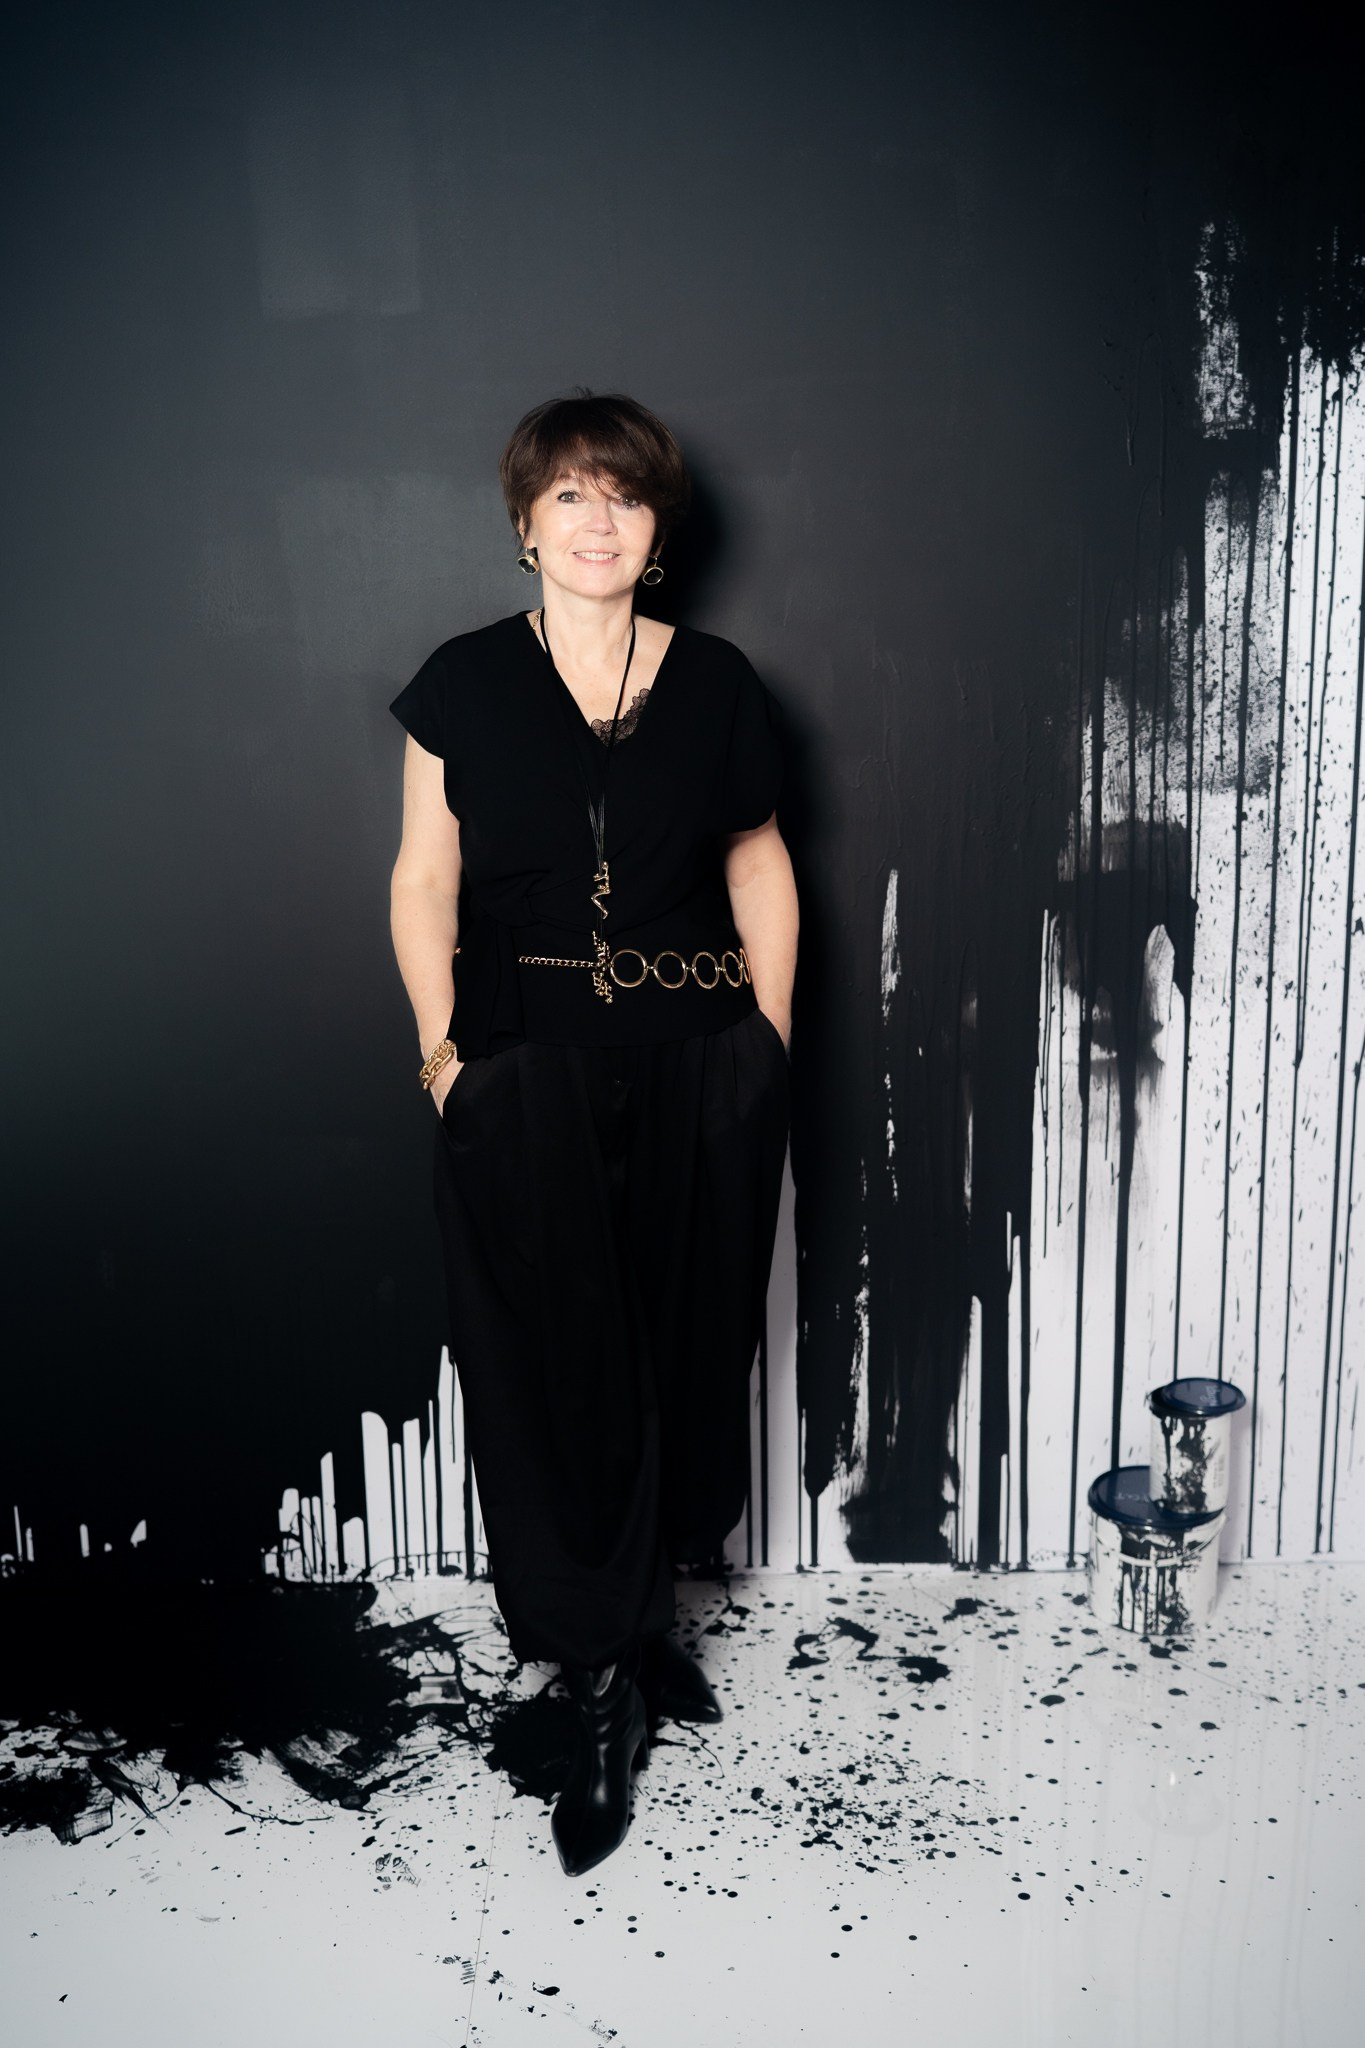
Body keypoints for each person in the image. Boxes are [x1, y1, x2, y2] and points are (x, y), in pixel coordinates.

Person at [388, 390, 798, 1876]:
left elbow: (759, 865)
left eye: (622, 495)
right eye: (568, 494)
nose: (597, 519)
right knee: (552, 1363)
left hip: (697, 1059)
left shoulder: (718, 681)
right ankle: (596, 1672)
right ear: (525, 525)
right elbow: (423, 879)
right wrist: (445, 1056)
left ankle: (636, 1622)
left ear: (656, 528)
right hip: (526, 1063)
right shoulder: (462, 682)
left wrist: (767, 1045)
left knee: (683, 1342)